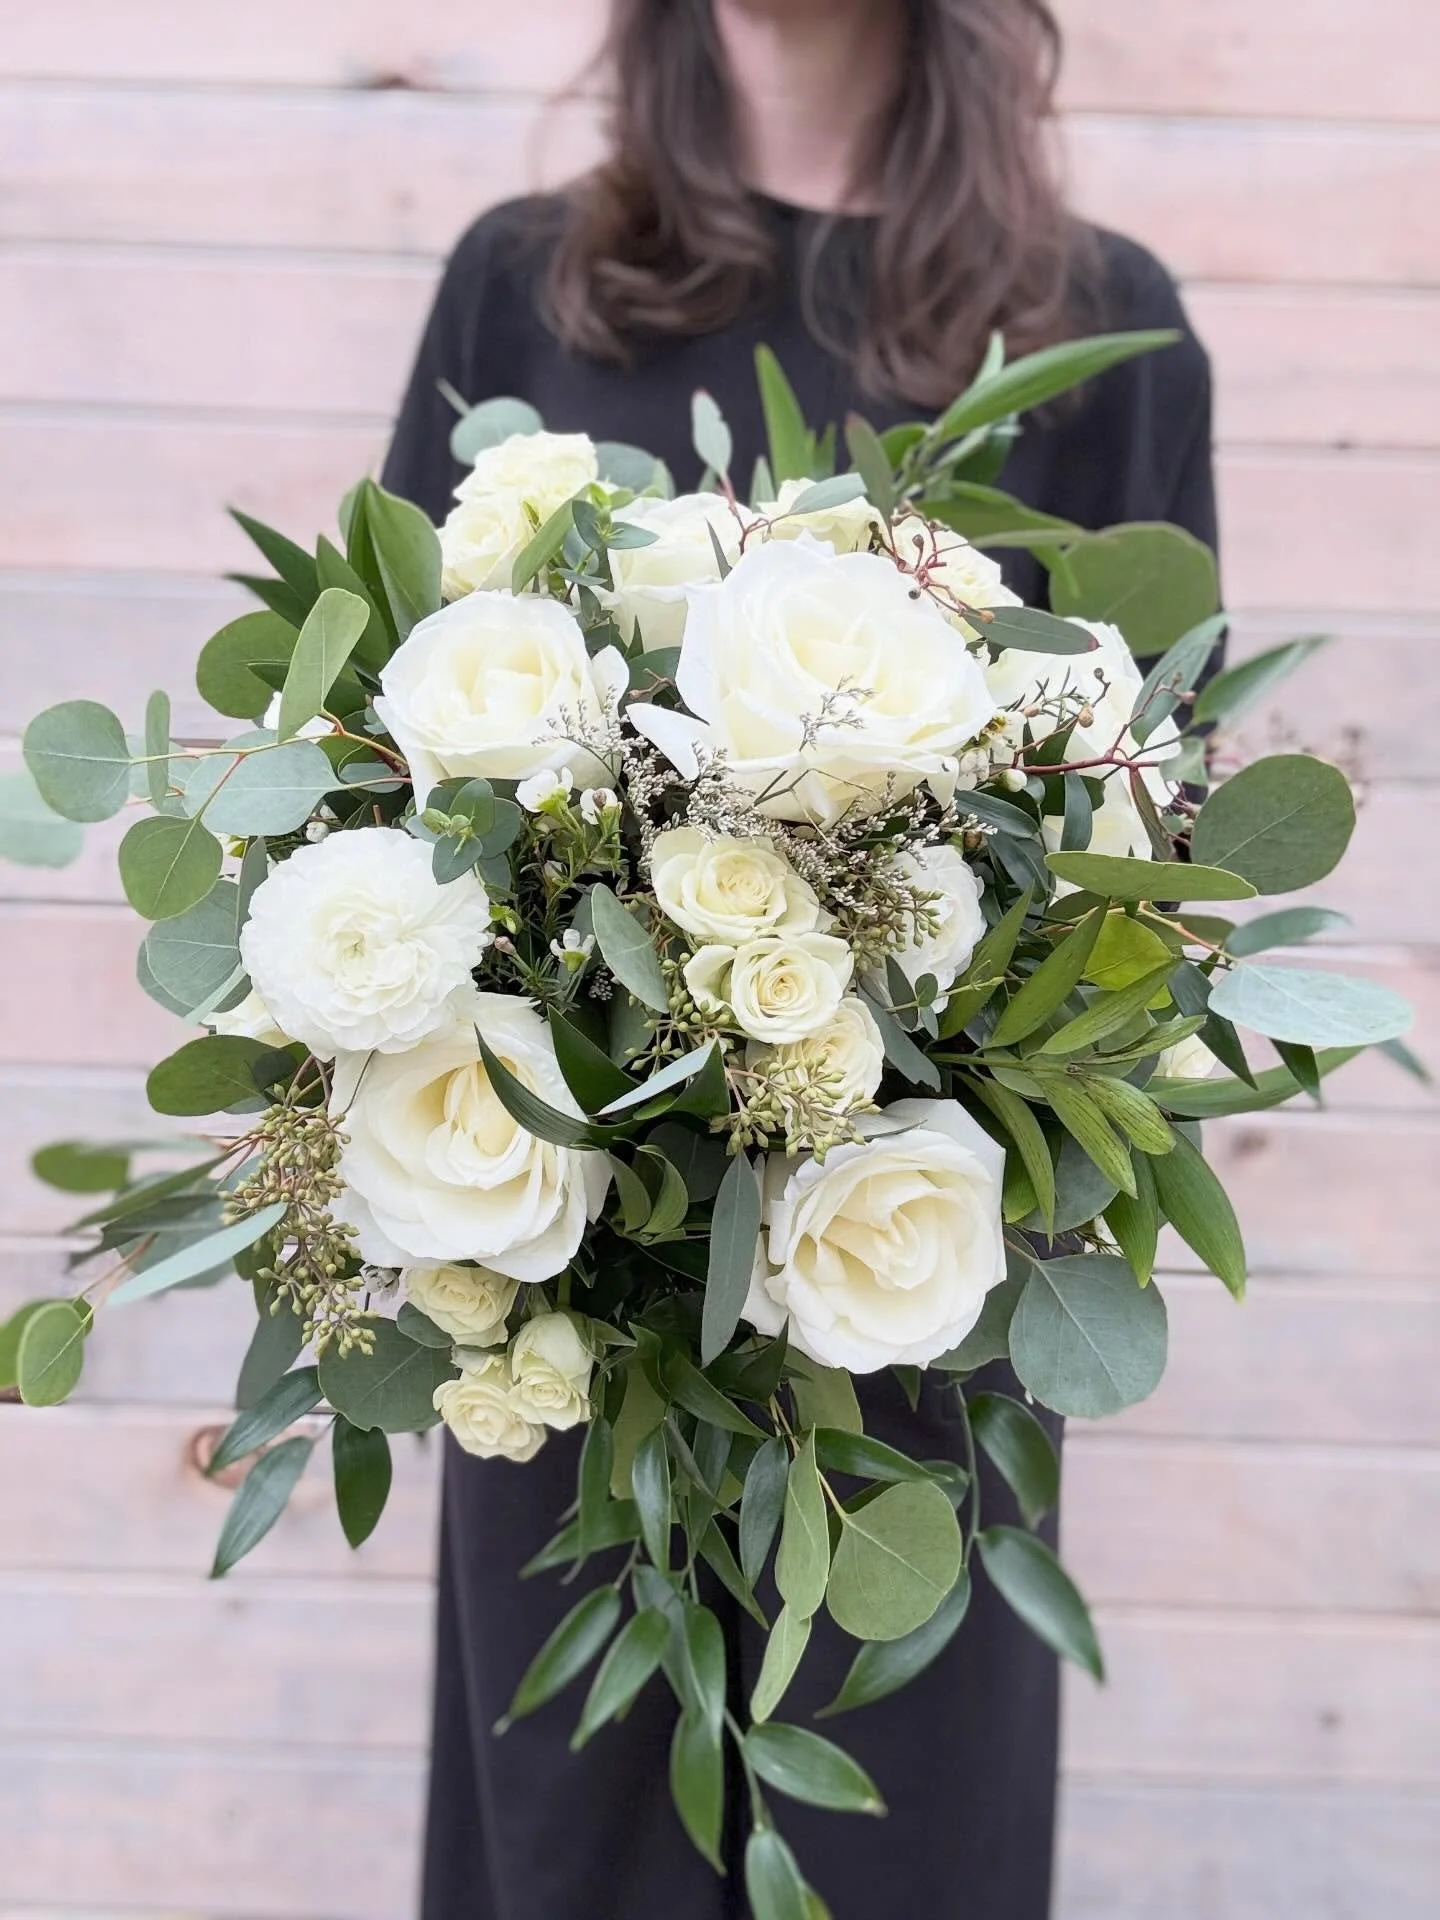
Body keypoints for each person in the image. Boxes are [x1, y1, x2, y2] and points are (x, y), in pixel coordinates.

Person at [382, 3, 1216, 1915]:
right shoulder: (528, 287)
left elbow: (1145, 854)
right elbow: (393, 771)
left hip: (910, 1308)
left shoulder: (1103, 325)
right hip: (577, 1298)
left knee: (903, 1852)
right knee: (575, 1842)